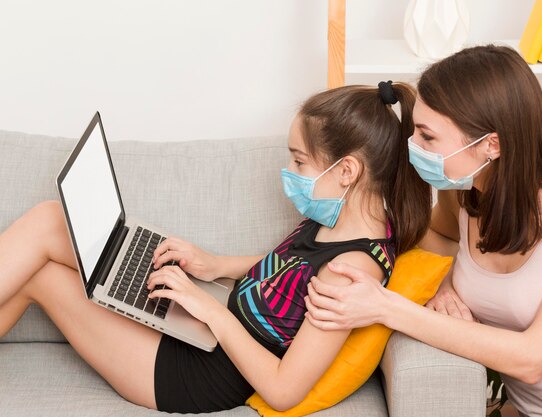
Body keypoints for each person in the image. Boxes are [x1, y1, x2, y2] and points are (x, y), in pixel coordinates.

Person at [0, 82, 432, 413]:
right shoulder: (337, 215)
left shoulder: (349, 274)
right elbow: (287, 273)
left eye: (299, 161)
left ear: (347, 171)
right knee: (51, 218)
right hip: (201, 333)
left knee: (38, 273)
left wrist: (208, 309)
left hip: (194, 373)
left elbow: (283, 390)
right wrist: (211, 265)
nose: (289, 171)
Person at [304, 45, 542, 417]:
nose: (412, 147)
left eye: (427, 137)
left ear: (492, 144)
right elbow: (437, 238)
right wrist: (445, 284)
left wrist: (384, 307)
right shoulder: (466, 193)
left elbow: (534, 358)